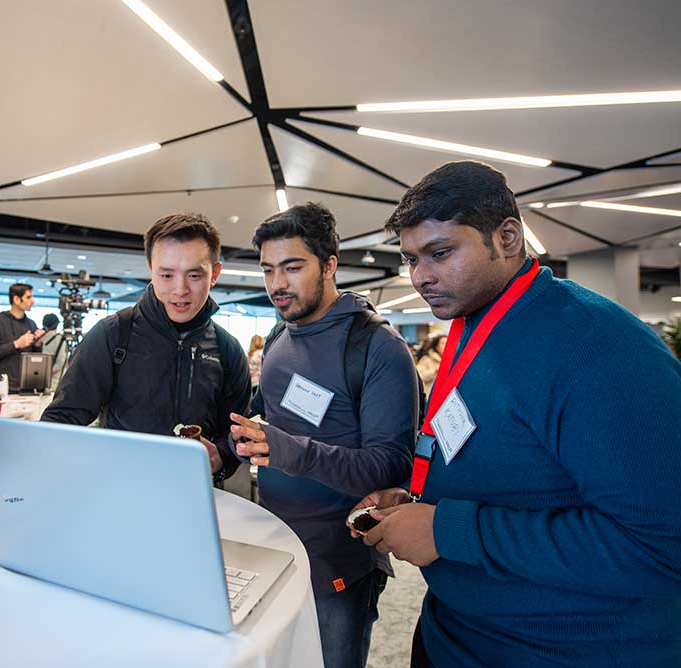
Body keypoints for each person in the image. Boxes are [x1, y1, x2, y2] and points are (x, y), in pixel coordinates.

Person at [351, 161, 681, 668]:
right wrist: (420, 499)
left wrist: (450, 530)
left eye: (440, 253)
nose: (421, 277)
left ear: (506, 238)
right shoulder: (476, 319)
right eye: (411, 259)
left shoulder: (596, 347)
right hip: (459, 630)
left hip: (556, 649)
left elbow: (660, 546)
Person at [228, 202, 419, 668]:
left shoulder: (377, 347)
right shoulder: (279, 337)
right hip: (274, 545)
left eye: (292, 268)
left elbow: (392, 464)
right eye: (269, 270)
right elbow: (270, 415)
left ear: (329, 265)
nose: (277, 284)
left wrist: (288, 450)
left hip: (339, 562)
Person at [41, 213, 251, 485]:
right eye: (166, 275)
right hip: (118, 490)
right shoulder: (114, 334)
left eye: (195, 275)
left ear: (215, 274)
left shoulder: (228, 350)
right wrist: (18, 471)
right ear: (150, 269)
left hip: (195, 494)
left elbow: (235, 432)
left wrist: (221, 456)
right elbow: (62, 418)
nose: (180, 289)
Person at [0, 283, 45, 394]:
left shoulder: (31, 324)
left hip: (26, 388)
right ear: (16, 299)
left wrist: (38, 345)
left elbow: (34, 358)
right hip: (0, 387)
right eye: (28, 297)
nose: (32, 301)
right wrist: (16, 344)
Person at [39, 313, 68, 389]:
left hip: (43, 381)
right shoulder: (59, 338)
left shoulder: (41, 338)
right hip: (56, 381)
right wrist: (48, 374)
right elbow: (61, 362)